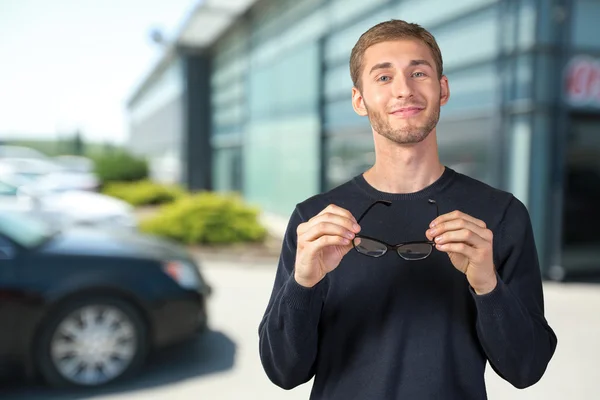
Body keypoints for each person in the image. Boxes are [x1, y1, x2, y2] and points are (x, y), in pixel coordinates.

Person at [258, 19, 557, 399]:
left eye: (419, 72)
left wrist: (487, 284)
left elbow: (526, 369)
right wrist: (303, 285)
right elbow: (283, 371)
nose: (404, 90)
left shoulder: (498, 216)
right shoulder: (314, 220)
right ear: (359, 100)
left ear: (442, 89)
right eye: (383, 78)